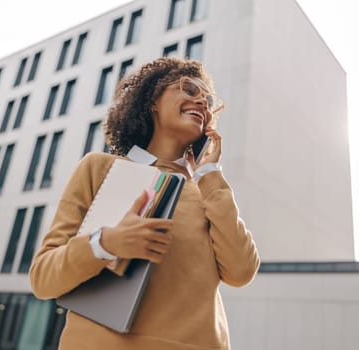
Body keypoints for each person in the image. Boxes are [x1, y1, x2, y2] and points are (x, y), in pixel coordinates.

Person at [29, 57, 260, 349]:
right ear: (153, 99)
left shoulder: (209, 192)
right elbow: (43, 278)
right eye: (189, 89)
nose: (202, 100)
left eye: (209, 99)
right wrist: (106, 244)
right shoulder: (100, 168)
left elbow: (241, 272)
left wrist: (210, 175)